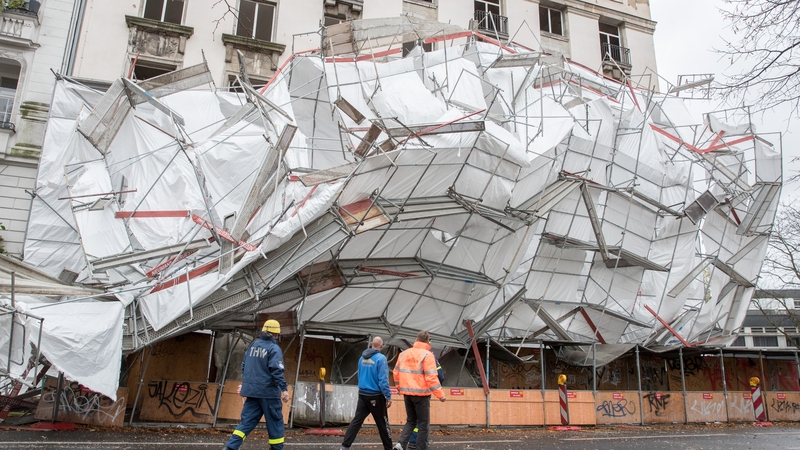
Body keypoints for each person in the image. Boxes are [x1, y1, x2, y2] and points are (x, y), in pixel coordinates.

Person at [223, 319, 290, 450]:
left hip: (252, 391)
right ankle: (276, 448)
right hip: (268, 393)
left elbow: (244, 365)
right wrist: (284, 389)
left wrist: (247, 383)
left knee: (246, 423)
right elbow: (276, 370)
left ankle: (230, 447)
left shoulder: (253, 345)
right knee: (275, 422)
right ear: (276, 334)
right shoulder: (273, 348)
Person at [392, 331, 445, 450]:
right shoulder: (427, 355)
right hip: (421, 394)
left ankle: (400, 444)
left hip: (407, 394)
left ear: (416, 339)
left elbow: (396, 373)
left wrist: (400, 388)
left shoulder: (404, 354)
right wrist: (440, 395)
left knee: (410, 421)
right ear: (428, 341)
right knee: (423, 424)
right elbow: (431, 377)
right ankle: (420, 448)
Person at [339, 336, 393, 450]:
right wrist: (388, 396)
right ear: (381, 346)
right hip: (376, 395)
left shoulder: (361, 358)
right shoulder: (381, 358)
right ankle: (388, 448)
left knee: (357, 421)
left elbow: (360, 376)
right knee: (383, 424)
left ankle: (345, 446)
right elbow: (383, 380)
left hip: (363, 394)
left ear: (371, 344)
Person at [408, 351, 443, 450]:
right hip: (423, 392)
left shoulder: (409, 355)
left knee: (412, 420)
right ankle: (418, 442)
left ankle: (411, 441)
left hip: (409, 392)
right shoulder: (430, 357)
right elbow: (440, 376)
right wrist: (436, 390)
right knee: (422, 420)